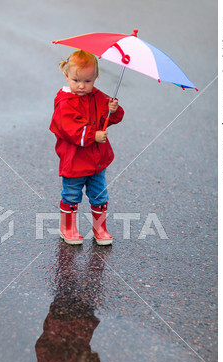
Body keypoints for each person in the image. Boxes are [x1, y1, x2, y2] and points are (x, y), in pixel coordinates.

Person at [50, 50, 124, 245]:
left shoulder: (98, 96)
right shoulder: (64, 102)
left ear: (95, 78)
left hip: (97, 159)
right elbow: (69, 129)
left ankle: (100, 229)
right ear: (67, 76)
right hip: (74, 160)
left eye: (87, 81)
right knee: (71, 194)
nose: (82, 86)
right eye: (76, 80)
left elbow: (109, 118)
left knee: (100, 195)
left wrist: (113, 110)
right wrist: (93, 135)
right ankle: (67, 228)